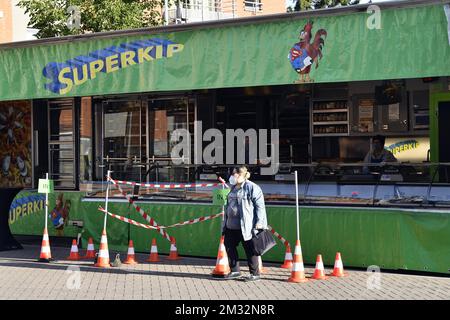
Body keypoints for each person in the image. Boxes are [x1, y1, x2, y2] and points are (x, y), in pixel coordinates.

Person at [222, 165, 268, 282]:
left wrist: (259, 223)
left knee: (250, 249)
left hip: (246, 226)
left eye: (234, 174)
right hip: (230, 225)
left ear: (241, 174)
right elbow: (228, 206)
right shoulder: (233, 188)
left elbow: (260, 207)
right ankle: (235, 271)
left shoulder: (252, 187)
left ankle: (255, 274)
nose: (231, 176)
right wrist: (224, 224)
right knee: (229, 246)